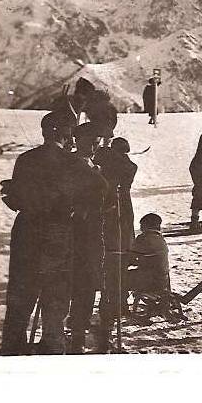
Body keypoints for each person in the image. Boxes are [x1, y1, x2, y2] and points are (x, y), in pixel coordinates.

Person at [0, 112, 76, 355]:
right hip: (58, 232)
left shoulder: (26, 159)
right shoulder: (71, 163)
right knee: (55, 292)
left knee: (21, 292)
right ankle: (52, 346)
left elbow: (16, 199)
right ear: (63, 133)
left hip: (26, 231)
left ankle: (12, 347)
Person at [67, 123, 109, 354]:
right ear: (77, 140)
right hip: (76, 233)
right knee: (78, 282)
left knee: (89, 282)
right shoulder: (70, 164)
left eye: (97, 140)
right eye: (90, 140)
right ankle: (74, 331)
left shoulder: (94, 164)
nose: (94, 145)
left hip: (93, 233)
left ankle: (79, 328)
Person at [92, 136, 138, 350]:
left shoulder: (124, 166)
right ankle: (113, 304)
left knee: (119, 256)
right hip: (111, 210)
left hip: (120, 209)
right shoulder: (111, 162)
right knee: (112, 259)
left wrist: (109, 154)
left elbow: (126, 166)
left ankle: (118, 304)